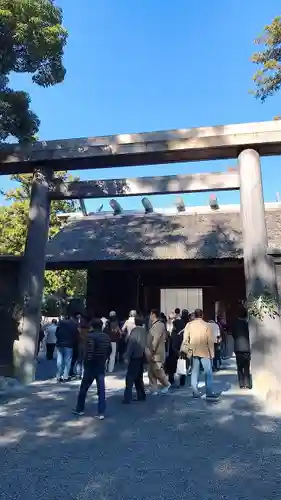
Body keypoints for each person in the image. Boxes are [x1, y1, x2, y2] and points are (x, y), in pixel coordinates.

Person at [73, 318, 112, 419]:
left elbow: (89, 352)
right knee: (101, 390)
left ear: (92, 326)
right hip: (100, 365)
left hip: (90, 366)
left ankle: (80, 409)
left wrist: (86, 362)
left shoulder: (90, 336)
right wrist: (104, 359)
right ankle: (101, 412)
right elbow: (109, 350)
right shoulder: (106, 337)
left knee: (84, 388)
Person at [181, 309, 219, 401]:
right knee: (208, 372)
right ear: (202, 315)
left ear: (195, 315)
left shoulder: (189, 325)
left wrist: (185, 349)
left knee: (194, 371)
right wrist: (212, 353)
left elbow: (185, 338)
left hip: (193, 350)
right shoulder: (207, 325)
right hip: (205, 351)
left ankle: (195, 391)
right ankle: (209, 392)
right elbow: (210, 341)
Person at [122, 314, 147, 404]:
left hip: (134, 356)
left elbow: (131, 344)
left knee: (130, 378)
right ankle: (141, 395)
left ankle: (127, 398)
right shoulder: (144, 331)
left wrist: (126, 356)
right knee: (139, 377)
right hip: (141, 356)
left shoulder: (134, 331)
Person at [147, 309, 170, 395]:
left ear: (153, 314)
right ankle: (154, 389)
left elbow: (155, 339)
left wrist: (152, 350)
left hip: (157, 352)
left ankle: (166, 384)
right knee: (151, 371)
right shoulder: (155, 325)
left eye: (150, 315)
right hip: (154, 352)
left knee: (157, 370)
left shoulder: (158, 325)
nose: (149, 317)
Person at [232, 306, 251, 389]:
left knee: (239, 367)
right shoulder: (247, 324)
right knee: (246, 367)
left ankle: (241, 384)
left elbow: (233, 335)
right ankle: (247, 383)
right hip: (246, 348)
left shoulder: (235, 324)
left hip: (238, 348)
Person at [55, 315, 79, 382]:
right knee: (67, 361)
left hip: (60, 344)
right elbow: (76, 335)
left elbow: (56, 333)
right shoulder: (73, 325)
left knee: (59, 360)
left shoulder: (61, 324)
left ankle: (58, 376)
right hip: (69, 344)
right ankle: (65, 376)